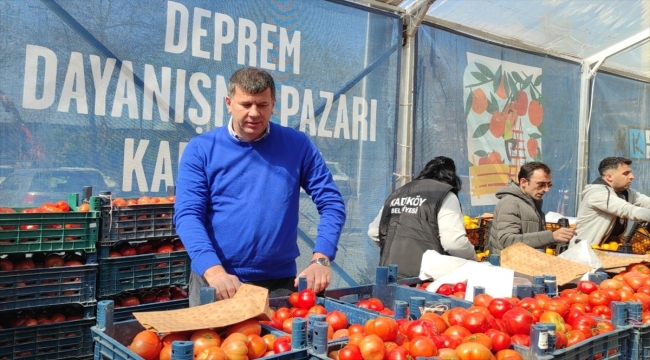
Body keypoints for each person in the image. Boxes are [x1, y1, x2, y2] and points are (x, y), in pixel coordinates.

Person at [174, 67, 346, 306]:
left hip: (279, 284)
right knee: (211, 343)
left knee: (283, 343)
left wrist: (322, 259)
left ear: (273, 103)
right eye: (245, 104)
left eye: (262, 105)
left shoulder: (297, 145)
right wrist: (213, 270)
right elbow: (187, 215)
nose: (254, 113)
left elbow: (331, 203)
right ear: (228, 102)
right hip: (217, 281)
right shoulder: (201, 149)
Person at [375, 156, 477, 279]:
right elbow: (454, 243)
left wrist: (395, 245)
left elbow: (374, 232)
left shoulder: (399, 193)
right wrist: (472, 257)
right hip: (425, 277)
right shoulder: (445, 195)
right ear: (452, 178)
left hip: (390, 273)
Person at [488, 162, 575, 254]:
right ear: (524, 182)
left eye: (548, 184)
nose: (546, 189)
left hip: (527, 263)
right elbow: (508, 240)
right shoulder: (510, 203)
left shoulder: (532, 203)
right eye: (540, 184)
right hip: (510, 265)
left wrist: (557, 237)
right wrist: (551, 236)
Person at [575, 157, 650, 245]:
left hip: (609, 249)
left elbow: (646, 202)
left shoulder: (625, 192)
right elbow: (627, 210)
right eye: (626, 173)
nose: (632, 176)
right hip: (584, 252)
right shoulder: (597, 193)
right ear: (609, 177)